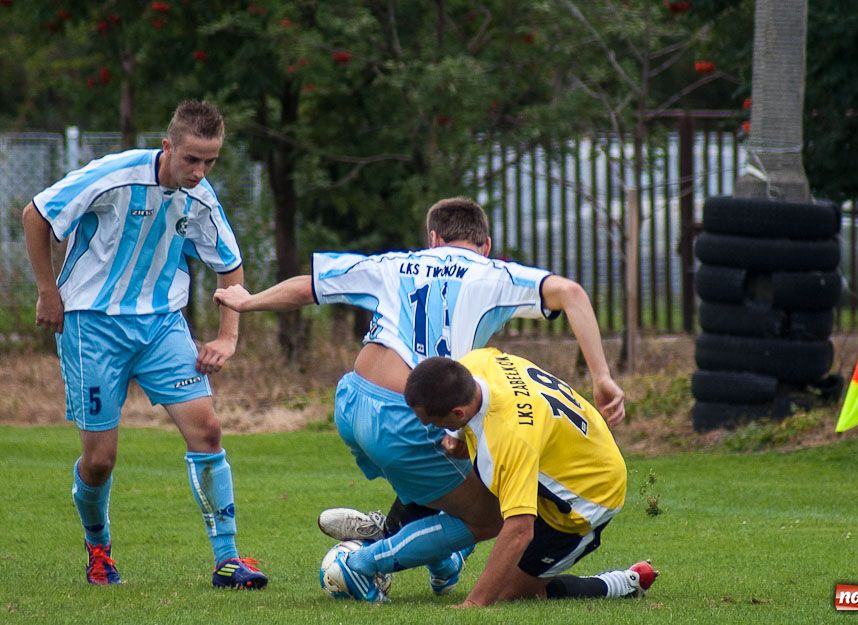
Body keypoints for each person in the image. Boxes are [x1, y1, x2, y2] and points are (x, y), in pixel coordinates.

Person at [213, 197, 624, 592]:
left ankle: (435, 557)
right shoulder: (493, 274)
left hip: (351, 402)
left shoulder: (393, 263)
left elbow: (309, 288)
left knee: (462, 468)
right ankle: (365, 560)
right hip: (409, 415)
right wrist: (602, 377)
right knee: (494, 514)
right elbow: (571, 292)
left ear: (433, 239)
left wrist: (248, 302)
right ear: (486, 245)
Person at [22, 100, 268, 588]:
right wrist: (48, 292)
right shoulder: (114, 176)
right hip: (92, 326)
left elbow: (230, 265)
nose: (200, 172)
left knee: (208, 431)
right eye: (192, 159)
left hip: (161, 326)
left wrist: (227, 336)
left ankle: (227, 559)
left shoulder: (201, 197)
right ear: (167, 146)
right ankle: (99, 548)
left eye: (210, 162)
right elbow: (36, 213)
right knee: (99, 460)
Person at [322, 348, 655, 606]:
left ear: (458, 413)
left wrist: (475, 603)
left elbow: (519, 529)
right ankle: (421, 549)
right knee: (457, 487)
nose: (430, 428)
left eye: (433, 422)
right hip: (573, 445)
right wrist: (460, 439)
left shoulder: (508, 439)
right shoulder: (476, 363)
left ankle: (620, 583)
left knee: (512, 592)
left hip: (587, 496)